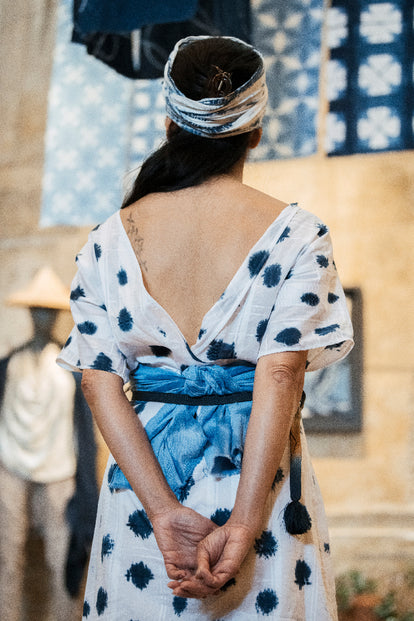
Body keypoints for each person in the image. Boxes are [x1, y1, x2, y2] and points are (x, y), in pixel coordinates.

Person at [58, 35, 354, 620]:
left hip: (144, 501)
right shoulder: (298, 235)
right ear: (257, 129)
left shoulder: (107, 239)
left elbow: (97, 382)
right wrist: (244, 524)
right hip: (261, 497)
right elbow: (281, 372)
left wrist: (164, 512)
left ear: (169, 123)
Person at [0, 267, 98, 621]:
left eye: (49, 309)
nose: (43, 316)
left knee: (64, 562)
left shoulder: (71, 368)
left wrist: (87, 489)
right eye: (37, 308)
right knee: (7, 559)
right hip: (10, 467)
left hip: (59, 471)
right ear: (29, 312)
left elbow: (84, 435)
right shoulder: (10, 365)